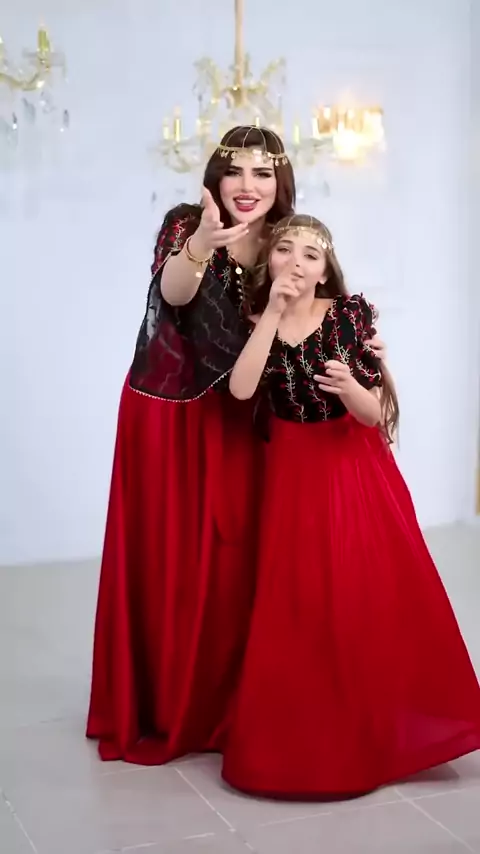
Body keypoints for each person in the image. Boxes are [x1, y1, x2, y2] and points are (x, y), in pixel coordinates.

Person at [222, 213, 480, 798]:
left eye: (310, 254)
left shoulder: (346, 315)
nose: (296, 261)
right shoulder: (256, 320)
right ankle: (304, 724)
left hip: (346, 466)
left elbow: (373, 415)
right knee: (297, 596)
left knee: (353, 586)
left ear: (325, 270)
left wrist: (352, 389)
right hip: (292, 470)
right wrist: (272, 314)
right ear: (269, 262)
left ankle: (368, 718)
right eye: (285, 250)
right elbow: (240, 389)